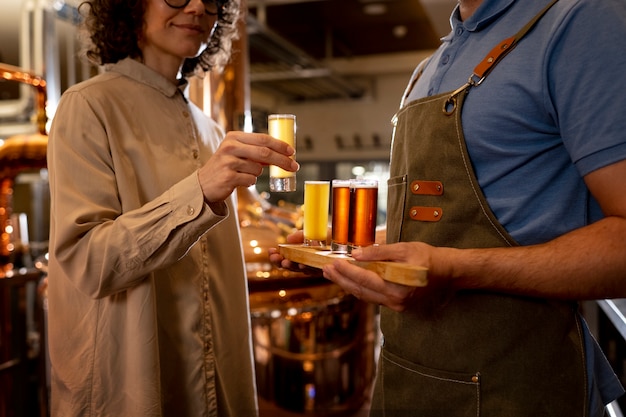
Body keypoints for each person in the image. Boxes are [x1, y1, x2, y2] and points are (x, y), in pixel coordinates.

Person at [271, 0, 626, 415]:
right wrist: (352, 244)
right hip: (403, 382)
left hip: (515, 390)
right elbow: (439, 230)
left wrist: (454, 271)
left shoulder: (575, 22)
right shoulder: (426, 69)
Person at [46, 0, 299, 415]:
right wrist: (199, 190)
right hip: (131, 383)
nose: (198, 5)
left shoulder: (210, 128)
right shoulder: (88, 106)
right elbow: (89, 262)